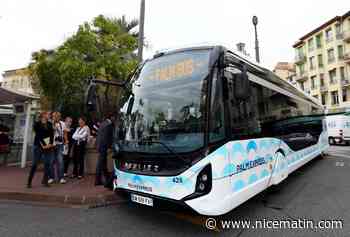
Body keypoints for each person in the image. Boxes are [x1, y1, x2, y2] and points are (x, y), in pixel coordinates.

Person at [27, 112, 54, 188]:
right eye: (48, 114)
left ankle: (45, 181)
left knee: (47, 163)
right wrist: (43, 145)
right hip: (38, 145)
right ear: (43, 115)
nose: (49, 115)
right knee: (35, 164)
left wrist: (50, 144)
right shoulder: (37, 124)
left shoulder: (49, 124)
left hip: (47, 145)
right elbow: (38, 135)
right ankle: (29, 181)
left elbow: (52, 134)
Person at [95, 113, 115, 186]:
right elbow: (107, 138)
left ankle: (106, 178)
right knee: (100, 163)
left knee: (103, 163)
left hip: (99, 145)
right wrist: (109, 147)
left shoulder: (103, 123)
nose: (114, 119)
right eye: (114, 117)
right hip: (103, 146)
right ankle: (97, 180)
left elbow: (99, 135)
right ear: (111, 117)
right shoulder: (108, 125)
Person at [50, 112, 67, 184]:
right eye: (54, 116)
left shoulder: (62, 124)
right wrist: (53, 128)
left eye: (58, 116)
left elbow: (65, 133)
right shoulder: (49, 123)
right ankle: (51, 177)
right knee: (51, 161)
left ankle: (61, 178)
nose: (56, 117)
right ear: (52, 117)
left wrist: (66, 141)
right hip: (51, 145)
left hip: (60, 144)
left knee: (60, 161)